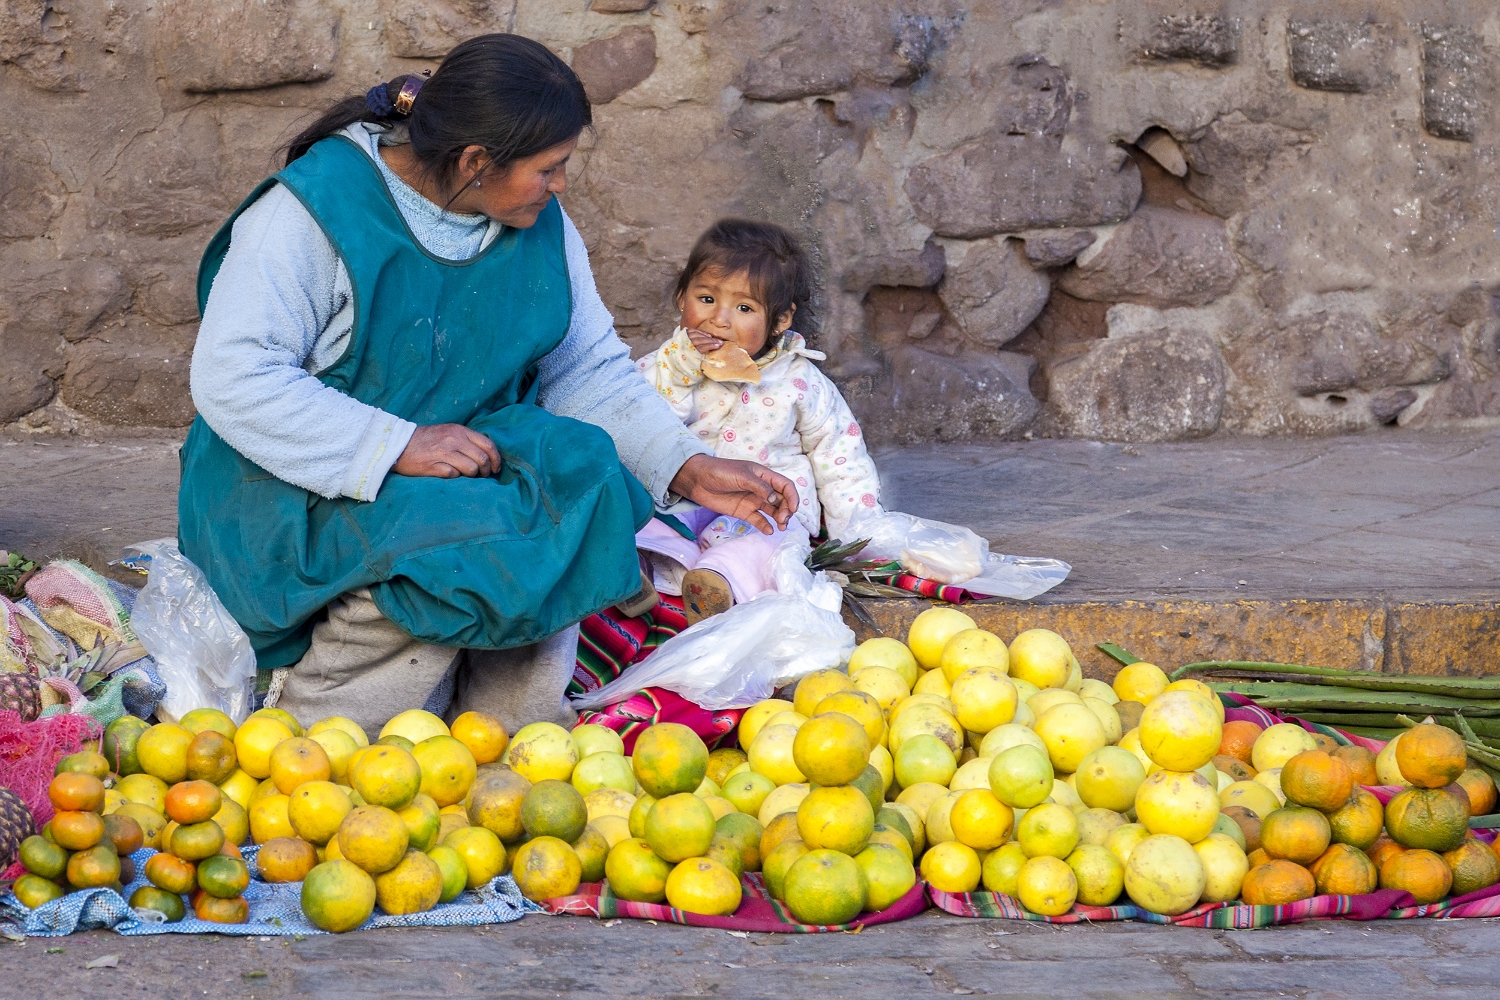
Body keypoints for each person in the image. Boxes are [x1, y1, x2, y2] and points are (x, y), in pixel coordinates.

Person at [177, 35, 797, 736]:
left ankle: (514, 731)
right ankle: (326, 717)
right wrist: (395, 443)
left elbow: (584, 368)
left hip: (455, 469)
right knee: (465, 535)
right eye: (549, 168)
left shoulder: (534, 221)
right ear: (476, 163)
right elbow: (233, 376)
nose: (561, 185)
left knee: (583, 480)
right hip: (302, 490)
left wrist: (687, 464)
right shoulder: (312, 214)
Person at [634, 219, 880, 623]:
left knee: (772, 545)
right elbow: (641, 429)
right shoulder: (664, 365)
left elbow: (840, 456)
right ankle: (636, 574)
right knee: (635, 520)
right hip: (681, 500)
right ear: (682, 296)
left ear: (781, 320)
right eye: (707, 299)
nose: (720, 320)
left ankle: (717, 581)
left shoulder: (800, 381)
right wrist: (679, 370)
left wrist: (859, 532)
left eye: (744, 308)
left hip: (764, 511)